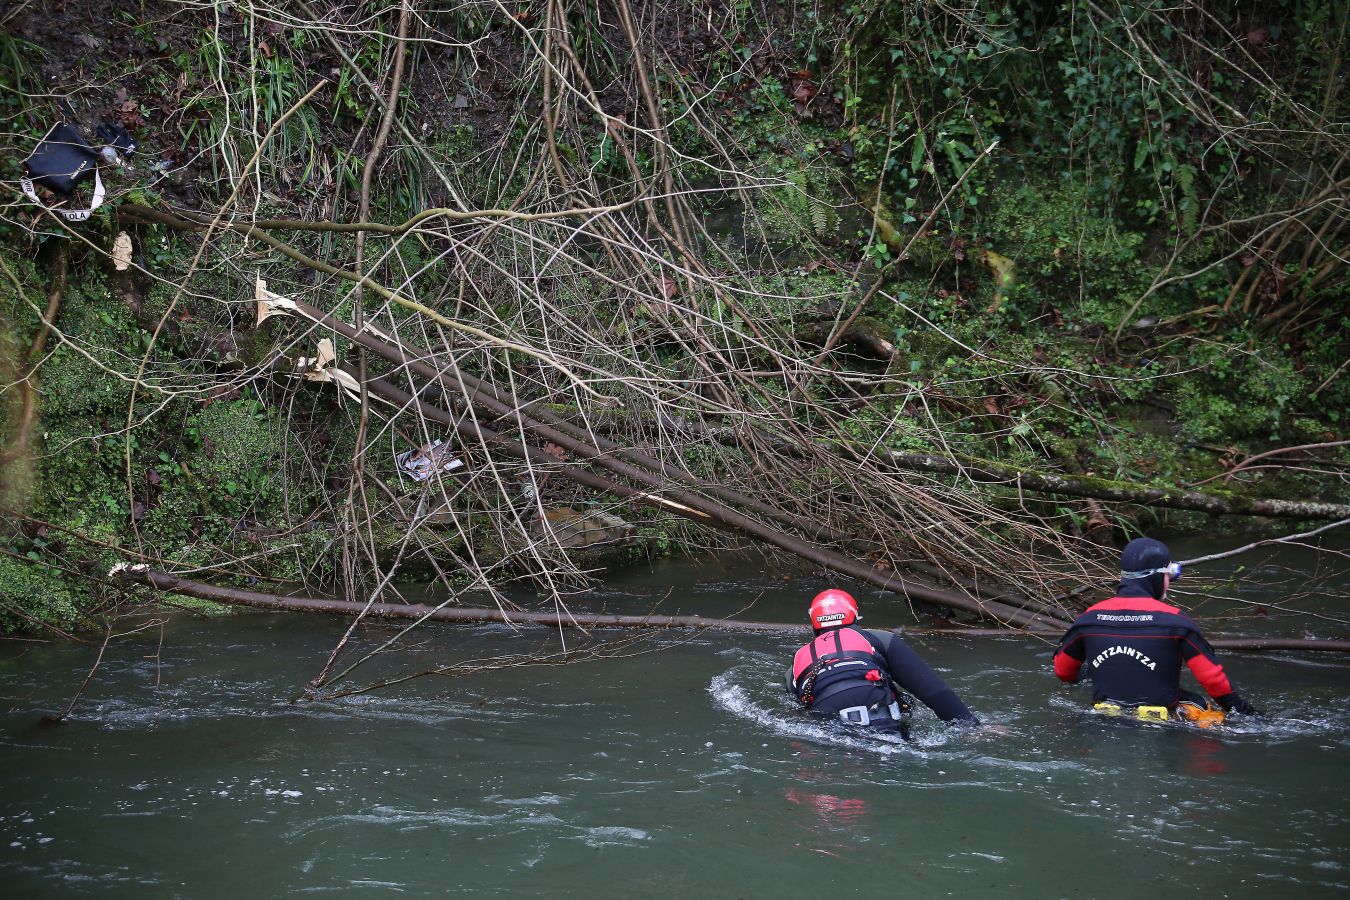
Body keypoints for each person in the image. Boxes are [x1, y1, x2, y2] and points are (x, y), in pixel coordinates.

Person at [1053, 537, 1261, 722]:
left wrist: (1101, 670)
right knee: (1197, 703)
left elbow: (1063, 671)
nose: (1169, 583)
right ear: (1156, 575)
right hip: (1162, 726)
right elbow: (1214, 681)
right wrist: (1248, 716)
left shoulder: (1089, 618)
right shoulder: (1175, 621)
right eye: (1170, 574)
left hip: (1102, 720)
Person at [786, 588, 979, 734]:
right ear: (855, 616)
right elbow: (934, 691)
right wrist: (970, 727)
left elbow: (798, 711)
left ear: (814, 623)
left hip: (826, 730)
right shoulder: (881, 640)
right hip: (880, 719)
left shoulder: (796, 662)